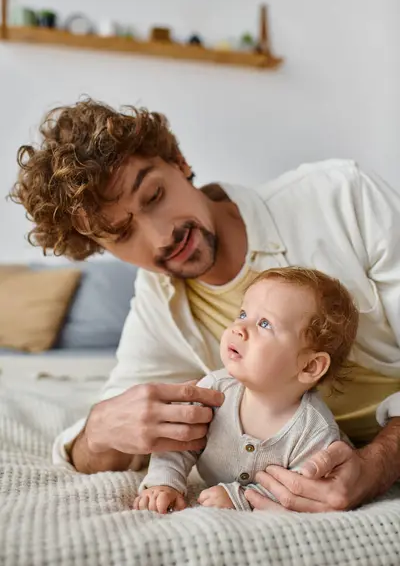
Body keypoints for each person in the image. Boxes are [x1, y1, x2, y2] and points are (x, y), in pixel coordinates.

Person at [10, 98, 400, 514]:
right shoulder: (160, 304)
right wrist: (99, 431)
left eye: (154, 195)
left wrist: (376, 465)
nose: (162, 236)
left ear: (178, 161)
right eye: (122, 234)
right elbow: (103, 445)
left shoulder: (342, 198)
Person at [134, 267, 358, 514]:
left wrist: (241, 497)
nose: (239, 328)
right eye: (242, 314)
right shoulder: (214, 392)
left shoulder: (314, 431)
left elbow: (303, 489)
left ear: (309, 366)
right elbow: (178, 444)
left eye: (264, 323)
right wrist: (165, 483)